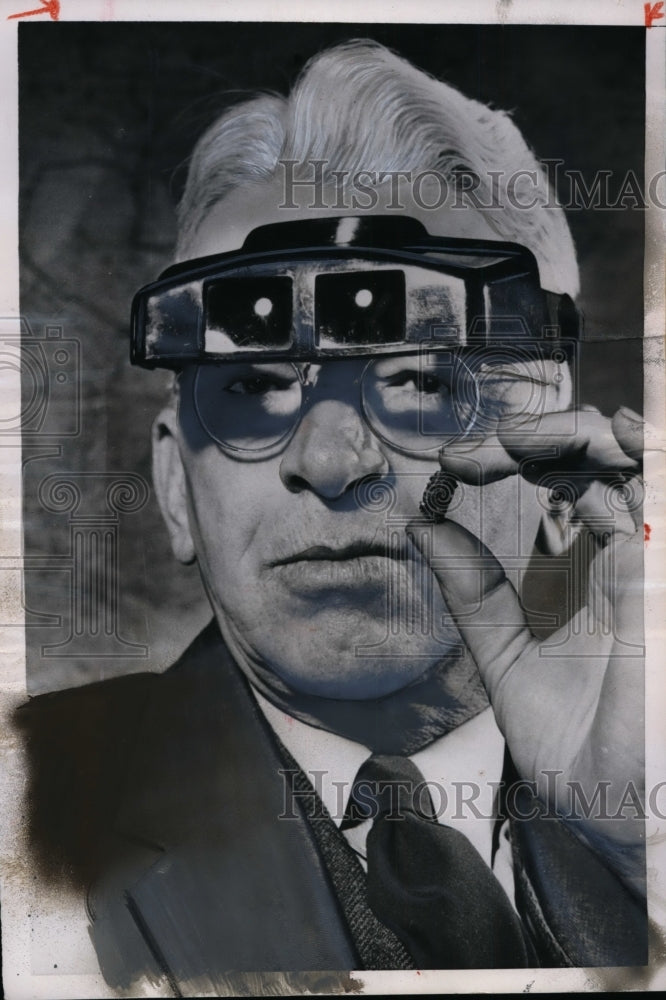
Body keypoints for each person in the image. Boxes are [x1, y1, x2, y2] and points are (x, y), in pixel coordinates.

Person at [18, 39, 647, 993]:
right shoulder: (31, 824)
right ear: (177, 490)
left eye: (425, 378)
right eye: (258, 385)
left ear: (560, 459)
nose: (328, 458)